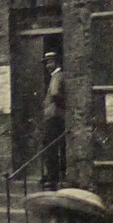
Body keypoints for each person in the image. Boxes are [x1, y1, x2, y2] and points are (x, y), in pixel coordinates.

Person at [40, 50, 66, 190]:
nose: (48, 65)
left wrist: (62, 106)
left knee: (50, 146)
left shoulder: (57, 75)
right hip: (53, 116)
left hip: (54, 116)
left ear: (57, 62)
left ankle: (52, 177)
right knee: (51, 146)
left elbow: (55, 93)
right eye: (46, 63)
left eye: (50, 62)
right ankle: (51, 175)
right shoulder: (54, 76)